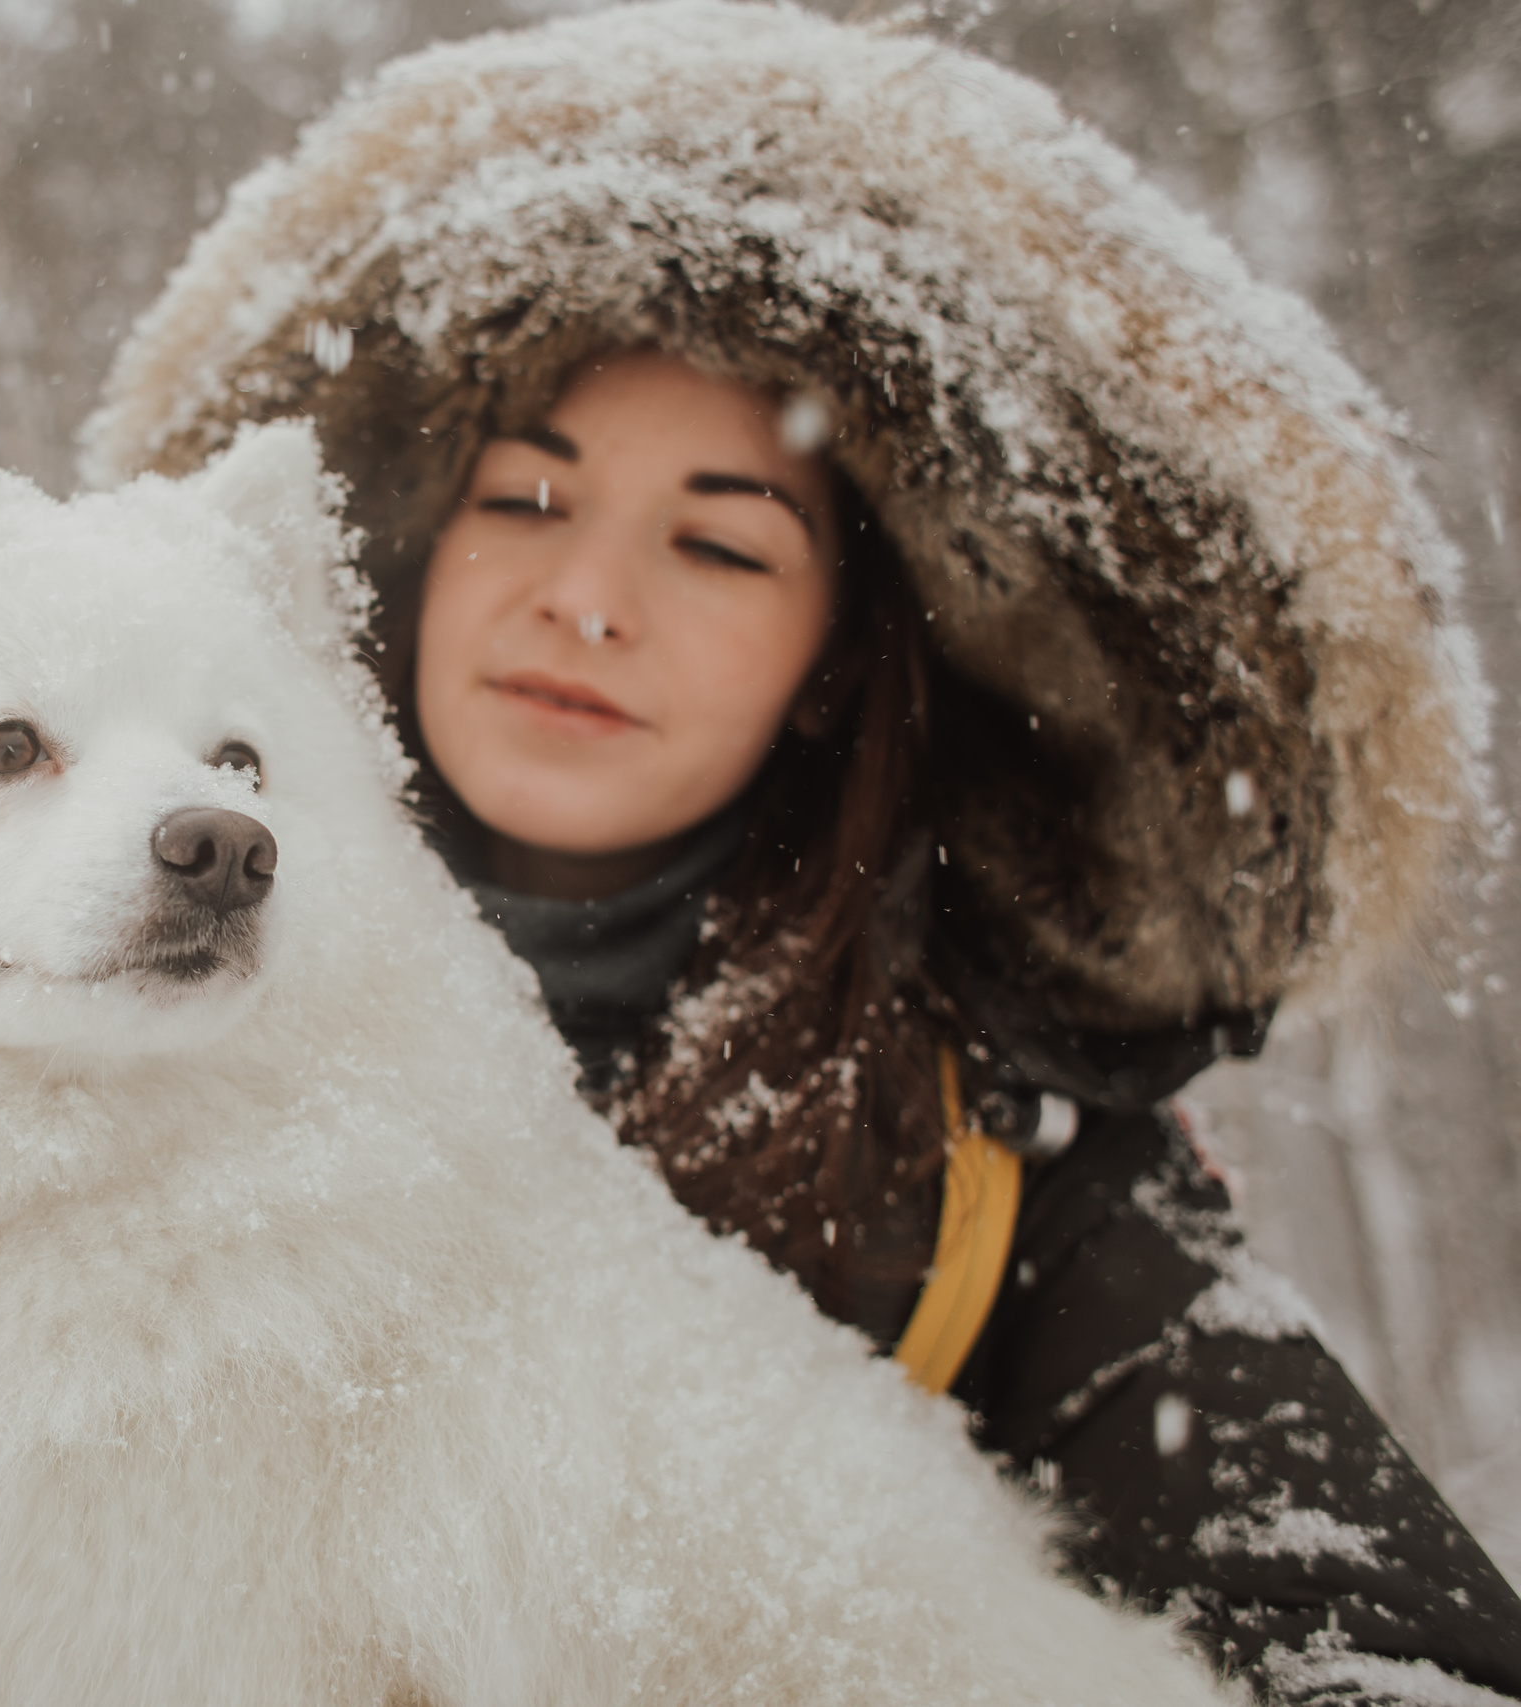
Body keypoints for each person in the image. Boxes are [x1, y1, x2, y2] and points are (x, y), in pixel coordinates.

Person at [80, 3, 1521, 1703]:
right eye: (528, 502)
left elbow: (1375, 1639)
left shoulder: (1000, 1159)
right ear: (410, 556)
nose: (589, 597)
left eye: (717, 543)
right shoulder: (116, 1006)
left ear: (838, 660)